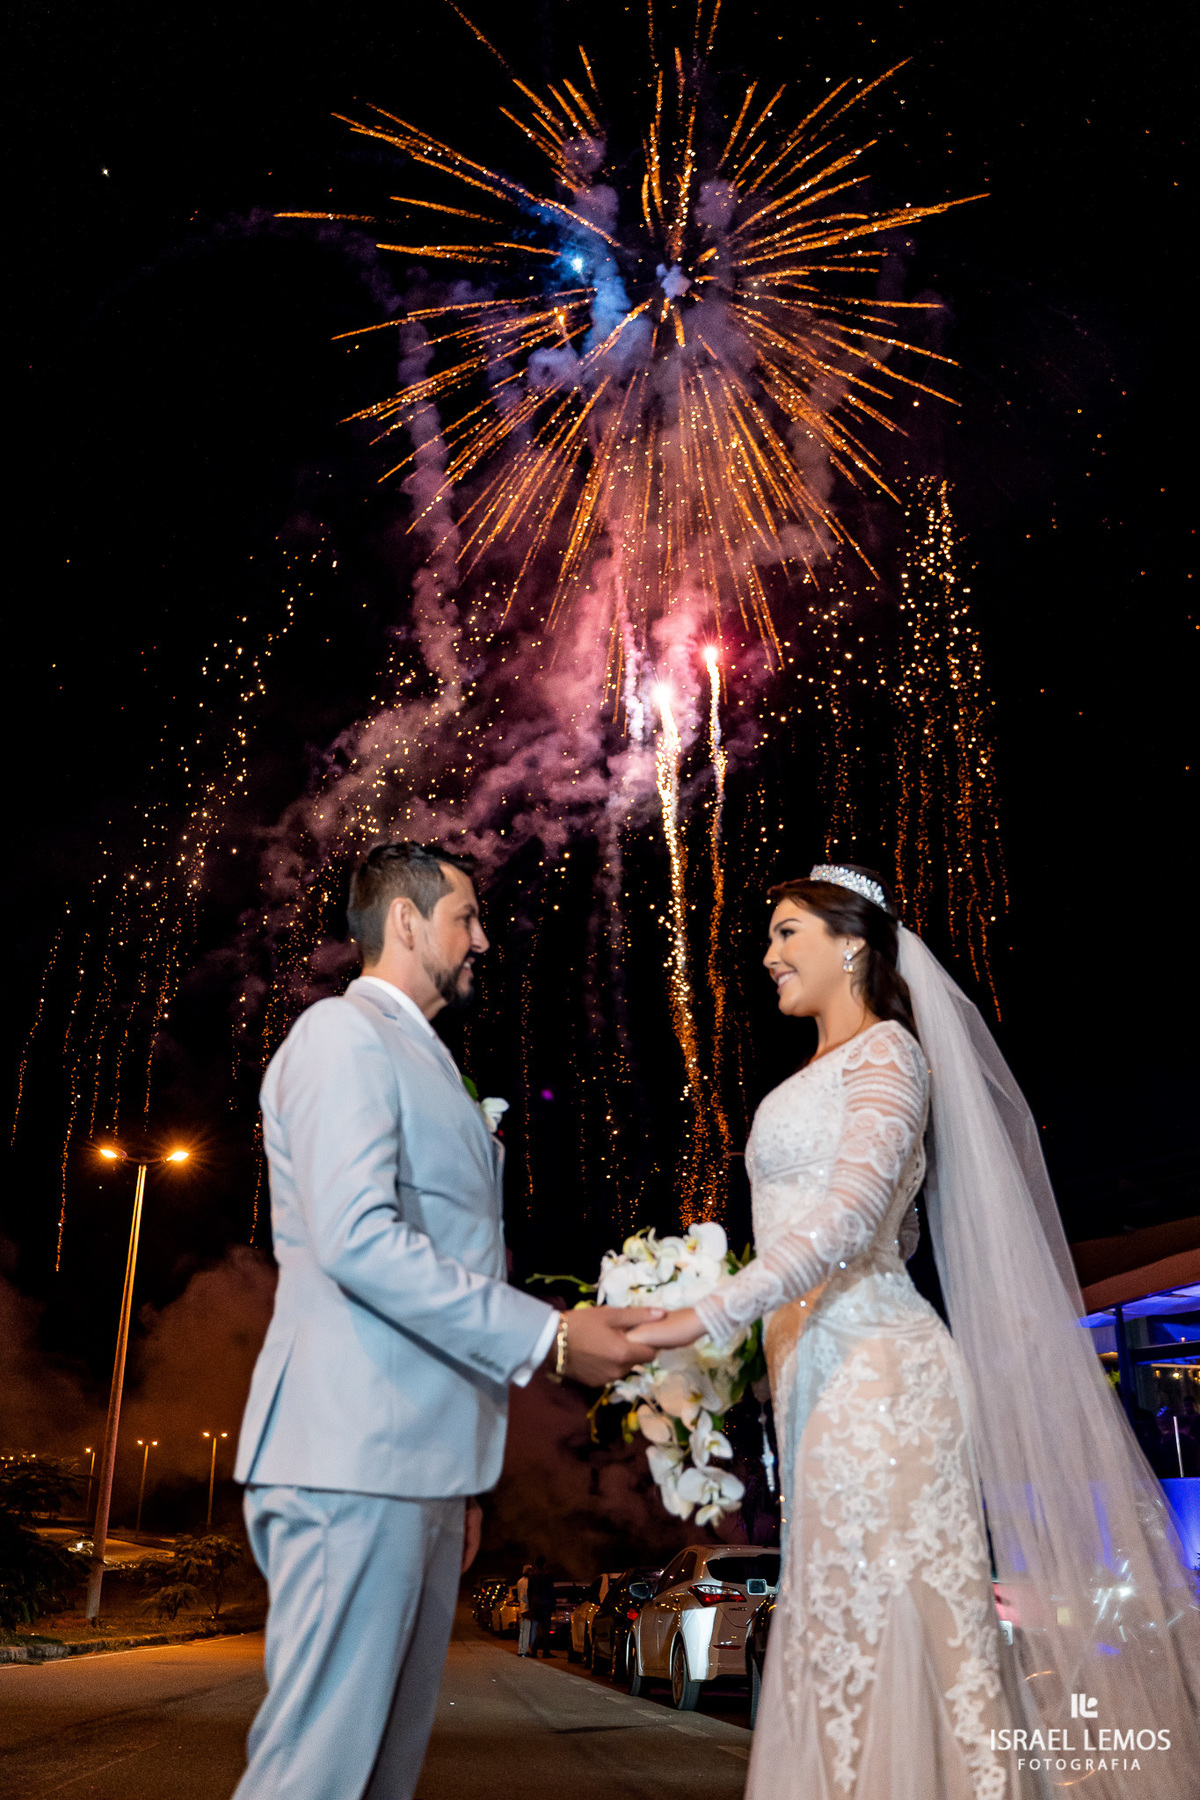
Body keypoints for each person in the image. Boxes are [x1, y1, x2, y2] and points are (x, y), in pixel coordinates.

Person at [630, 863, 1200, 1800]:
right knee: (839, 1622)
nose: (767, 955)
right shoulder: (816, 1072)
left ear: (851, 942)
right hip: (818, 1378)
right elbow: (888, 1226)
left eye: (786, 933)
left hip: (882, 1380)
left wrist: (704, 1312)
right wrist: (746, 1343)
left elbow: (858, 1221)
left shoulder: (891, 1055)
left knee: (891, 1623)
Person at [232, 842, 659, 1800]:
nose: (483, 939)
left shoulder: (424, 1059)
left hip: (417, 1468)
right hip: (351, 1459)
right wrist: (550, 1337)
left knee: (380, 1777)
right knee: (317, 1774)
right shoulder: (342, 1038)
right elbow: (356, 1242)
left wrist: (463, 1485)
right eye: (466, 916)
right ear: (406, 922)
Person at [525, 1554, 556, 1658]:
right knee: (545, 1629)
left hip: (535, 1604)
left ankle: (534, 1650)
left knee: (535, 1628)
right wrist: (553, 1604)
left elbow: (529, 1591)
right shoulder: (547, 1574)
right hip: (545, 1603)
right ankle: (546, 1651)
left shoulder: (532, 1575)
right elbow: (550, 1590)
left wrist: (530, 1604)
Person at [516, 1564, 533, 1656]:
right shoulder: (528, 1582)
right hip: (526, 1608)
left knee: (522, 1630)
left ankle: (520, 1650)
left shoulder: (519, 1581)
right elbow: (528, 1595)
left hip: (521, 1607)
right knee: (526, 1630)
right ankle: (524, 1651)